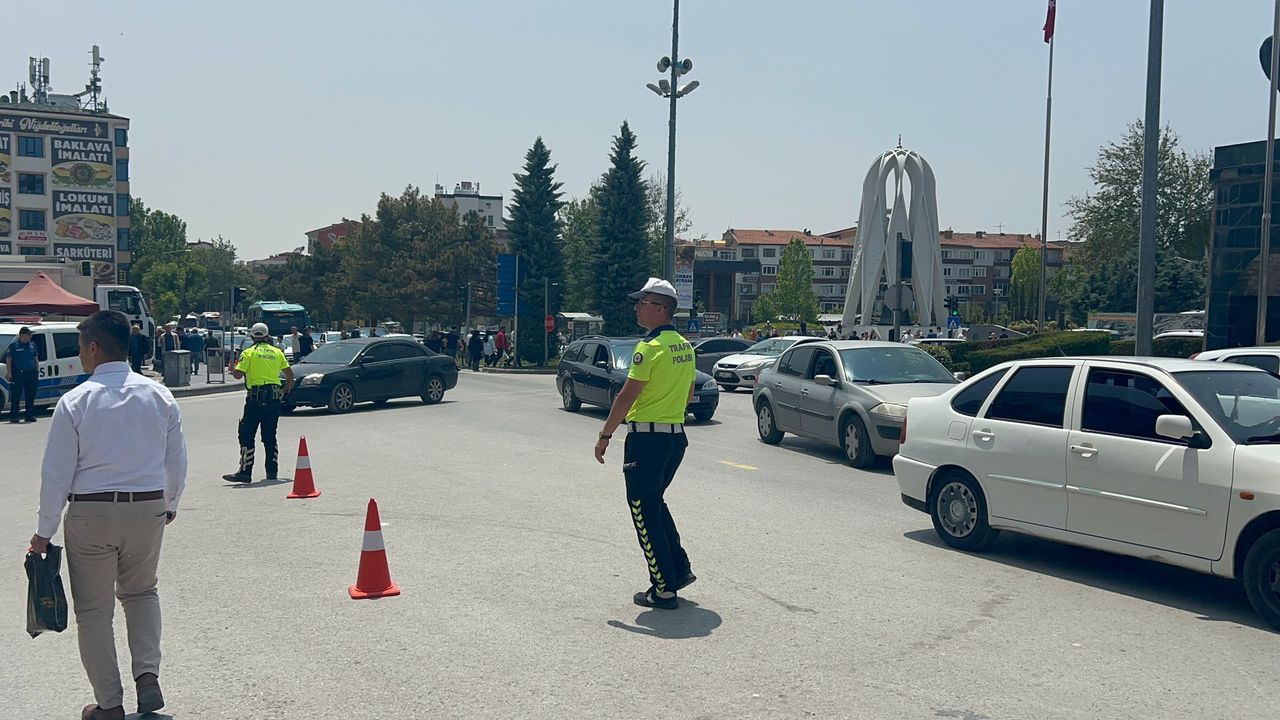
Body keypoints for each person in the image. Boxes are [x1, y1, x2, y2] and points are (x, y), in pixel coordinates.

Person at [29, 310, 187, 720]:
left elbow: (56, 473)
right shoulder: (159, 395)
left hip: (91, 513)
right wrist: (169, 504)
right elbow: (176, 460)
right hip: (147, 508)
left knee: (94, 612)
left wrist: (44, 531)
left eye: (82, 347)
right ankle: (147, 677)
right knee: (141, 593)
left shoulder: (75, 401)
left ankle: (110, 704)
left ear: (94, 348)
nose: (81, 355)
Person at [593, 277, 697, 610]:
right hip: (674, 439)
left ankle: (663, 589)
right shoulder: (684, 346)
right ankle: (678, 569)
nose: (637, 308)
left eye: (643, 303)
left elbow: (625, 398)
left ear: (660, 309)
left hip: (647, 441)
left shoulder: (649, 348)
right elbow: (689, 395)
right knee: (654, 503)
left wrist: (605, 435)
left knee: (642, 509)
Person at [222, 323, 294, 483]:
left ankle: (245, 472)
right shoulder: (277, 352)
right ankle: (272, 471)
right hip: (274, 400)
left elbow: (238, 375)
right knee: (270, 436)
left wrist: (234, 367)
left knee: (246, 434)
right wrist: (286, 388)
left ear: (252, 336)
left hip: (255, 400)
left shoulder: (249, 353)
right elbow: (290, 374)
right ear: (267, 336)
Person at [3, 325, 40, 423]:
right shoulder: (14, 346)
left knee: (30, 395)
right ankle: (14, 416)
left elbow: (35, 358)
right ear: (22, 335)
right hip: (18, 373)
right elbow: (9, 360)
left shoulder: (32, 345)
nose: (30, 336)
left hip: (31, 373)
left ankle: (29, 415)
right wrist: (9, 373)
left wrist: (37, 370)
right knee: (16, 395)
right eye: (29, 334)